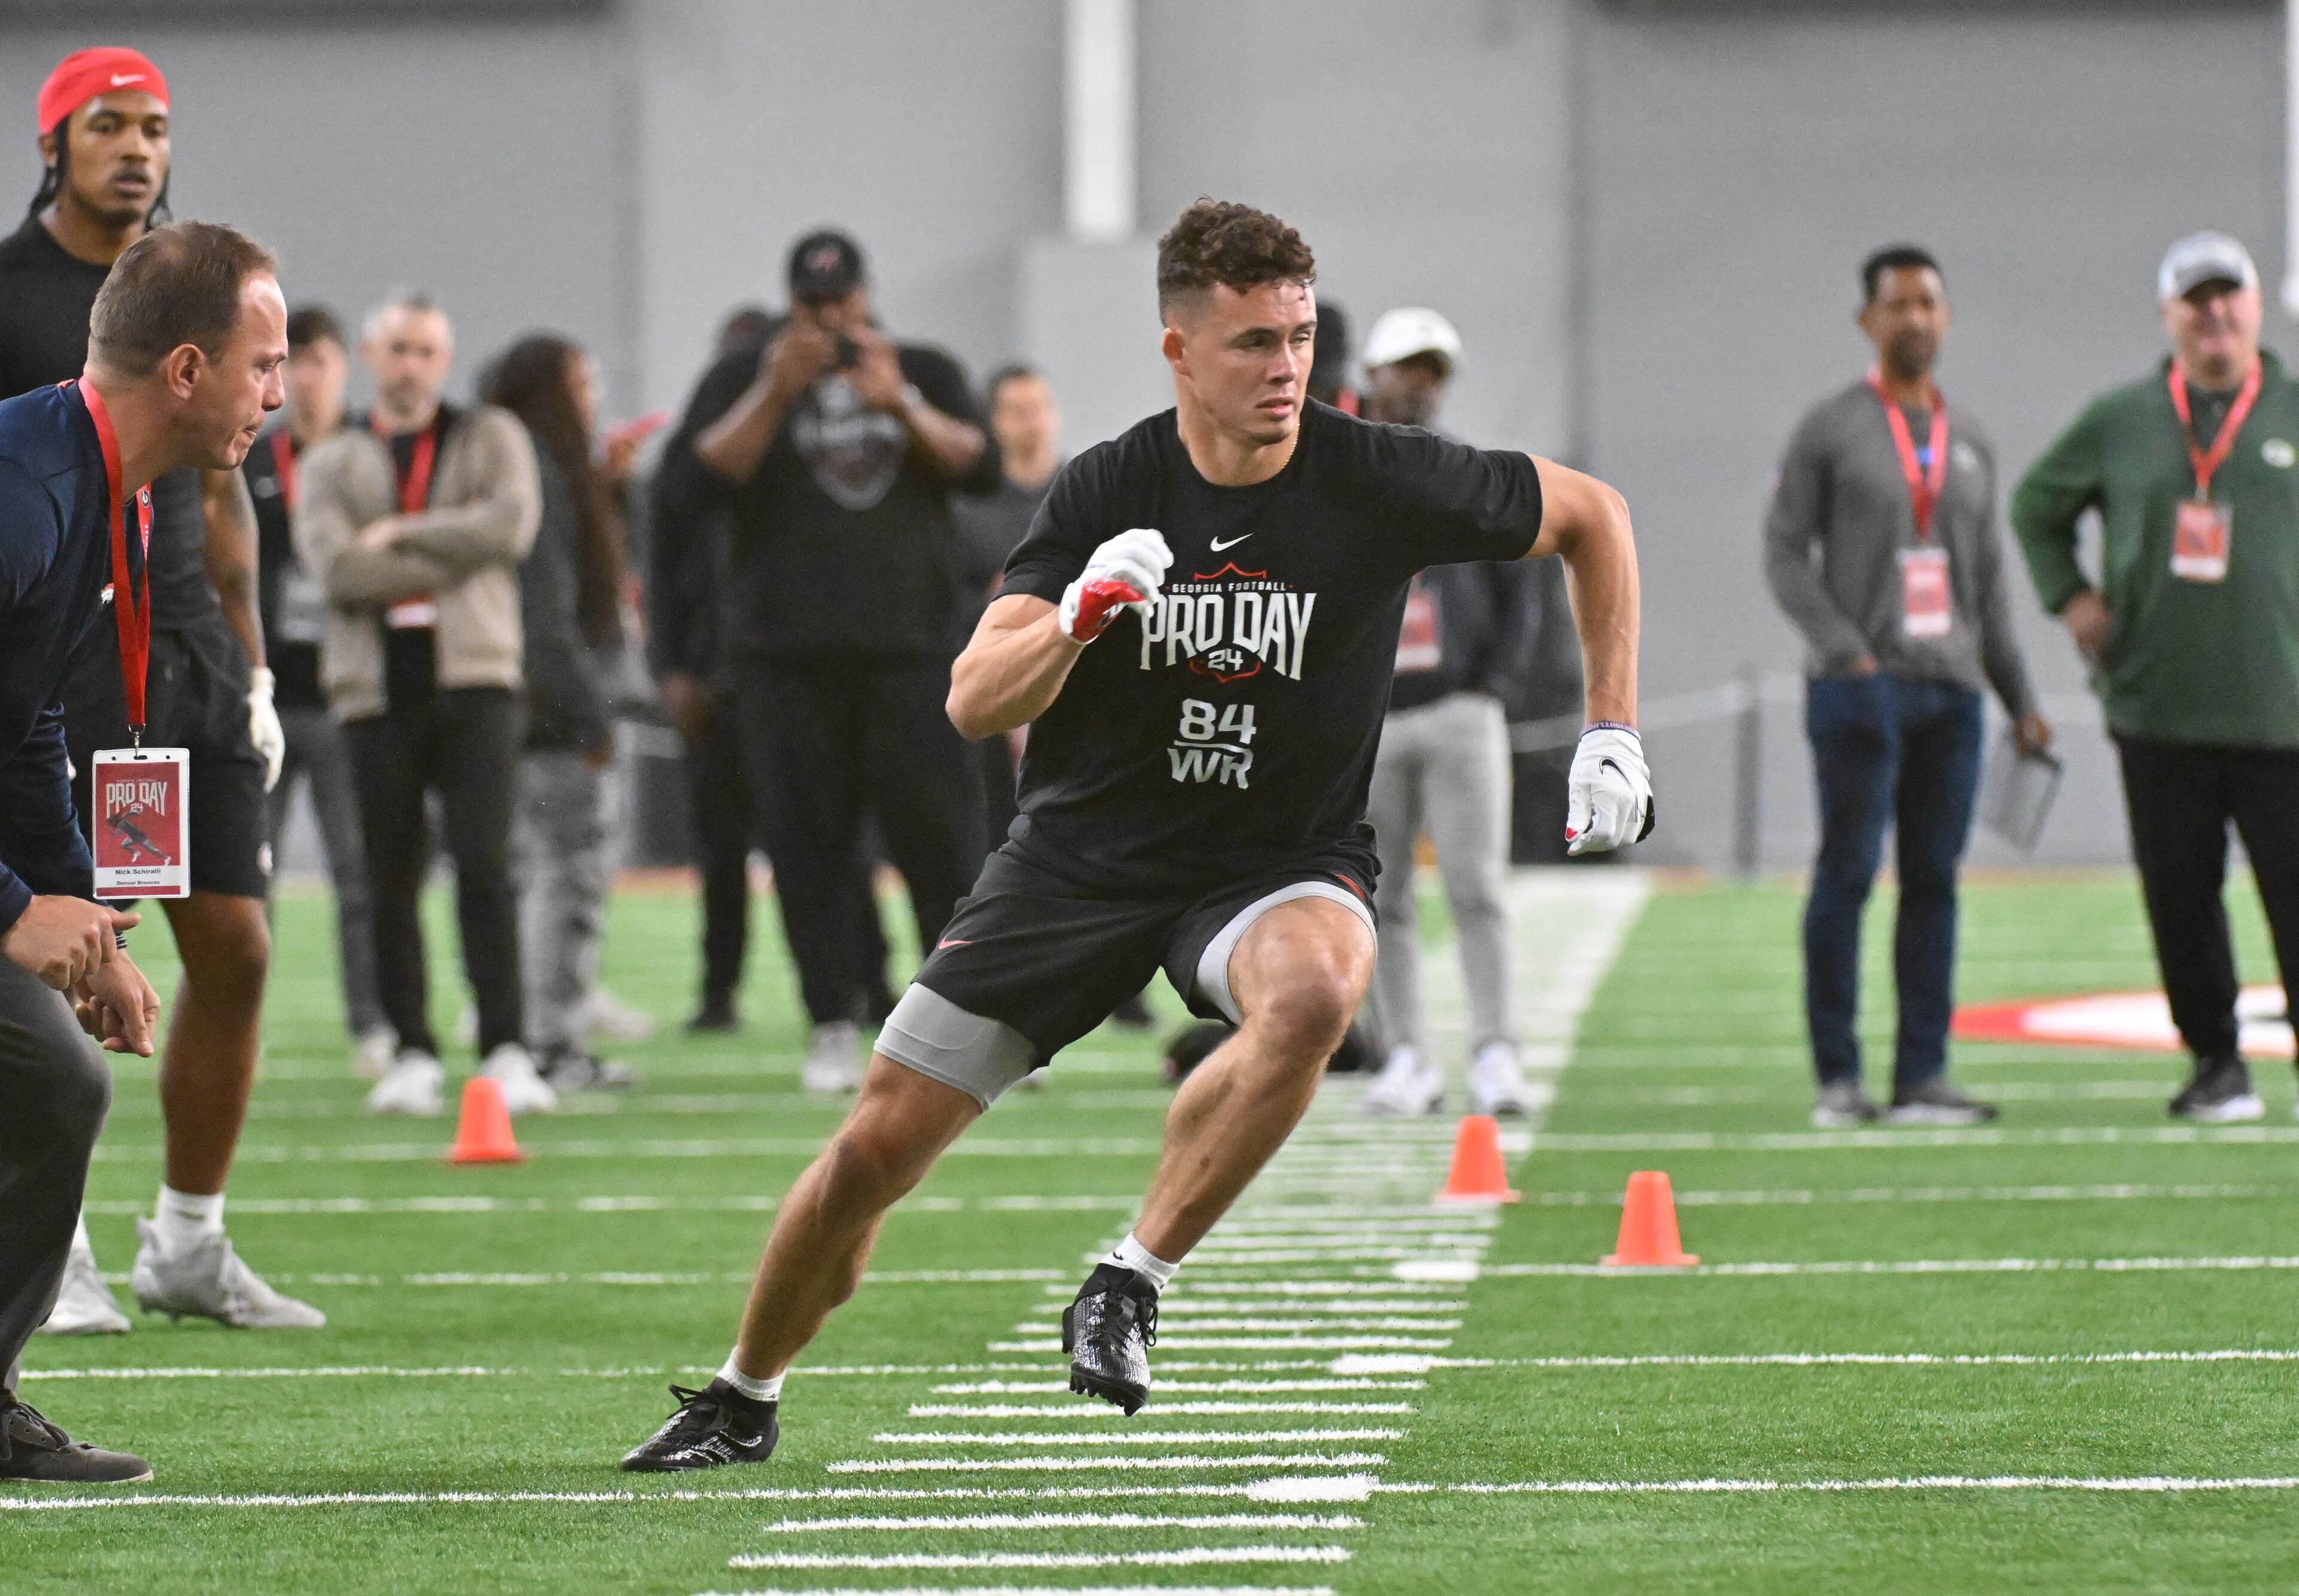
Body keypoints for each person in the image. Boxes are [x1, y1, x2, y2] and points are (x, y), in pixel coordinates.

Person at [619, 198, 1650, 1471]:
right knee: (871, 1154)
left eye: (1300, 336)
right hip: (1079, 863)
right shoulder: (1111, 483)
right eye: (1252, 344)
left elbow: (1593, 516)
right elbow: (969, 697)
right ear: (1178, 352)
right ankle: (744, 1392)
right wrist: (1078, 619)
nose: (1286, 370)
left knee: (1325, 987)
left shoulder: (1373, 473)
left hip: (1273, 860)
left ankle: (1131, 1275)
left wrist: (1613, 726)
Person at [2, 48, 319, 1337]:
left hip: (176, 670)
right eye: (263, 364)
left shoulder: (111, 497)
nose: (283, 393)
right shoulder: (28, 492)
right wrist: (20, 907)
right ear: (183, 369)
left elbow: (25, 727)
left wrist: (74, 901)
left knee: (63, 1077)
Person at [660, 229, 1000, 1090]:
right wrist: (776, 391)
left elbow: (981, 466)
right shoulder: (744, 375)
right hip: (784, 660)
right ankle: (832, 1019)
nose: (830, 318)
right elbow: (690, 487)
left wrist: (899, 402)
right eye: (814, 306)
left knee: (942, 844)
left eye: (843, 301)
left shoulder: (921, 363)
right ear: (790, 304)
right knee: (808, 849)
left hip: (913, 651)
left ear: (866, 294)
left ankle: (965, 1018)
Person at [2012, 231, 2299, 1124]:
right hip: (2158, 707)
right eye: (2195, 297)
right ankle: (2216, 1060)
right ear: (2171, 313)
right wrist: (2073, 598)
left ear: (2255, 304)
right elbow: (2034, 508)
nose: (2214, 312)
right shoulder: (2124, 417)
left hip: (2283, 710)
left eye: (2228, 294)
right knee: (2180, 893)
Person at [1764, 245, 2049, 1130]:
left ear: (1947, 317)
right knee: (1848, 873)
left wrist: (2019, 696)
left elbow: (1989, 582)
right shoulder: (1831, 428)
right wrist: (1845, 651)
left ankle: (1923, 1075)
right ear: (1868, 321)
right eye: (1897, 305)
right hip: (1862, 689)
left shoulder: (1971, 441)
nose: (1915, 319)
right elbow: (1783, 552)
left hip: (1954, 694)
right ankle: (1839, 1079)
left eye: (1929, 303)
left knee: (1936, 881)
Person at [295, 292, 549, 1117]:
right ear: (372, 354)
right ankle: (411, 1046)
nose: (411, 366)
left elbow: (509, 530)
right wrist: (455, 549)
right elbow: (338, 572)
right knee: (388, 873)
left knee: (487, 865)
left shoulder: (490, 434)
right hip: (376, 688)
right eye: (398, 348)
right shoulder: (336, 457)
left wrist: (400, 535)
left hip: (474, 678)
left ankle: (508, 1045)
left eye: (426, 352)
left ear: (444, 359)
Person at [650, 306, 894, 1034]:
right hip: (722, 671)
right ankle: (720, 986)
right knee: (722, 845)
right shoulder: (705, 466)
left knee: (831, 838)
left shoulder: (799, 464)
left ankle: (871, 982)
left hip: (787, 673)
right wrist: (674, 666)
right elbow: (667, 566)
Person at [1351, 307, 1542, 1118]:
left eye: (1433, 371)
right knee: (1379, 897)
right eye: (1408, 368)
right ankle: (1405, 1056)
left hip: (1459, 707)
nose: (1421, 385)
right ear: (1373, 375)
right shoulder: (1343, 479)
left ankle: (1496, 1052)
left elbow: (1523, 580)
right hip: (1371, 718)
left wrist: (1493, 682)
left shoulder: (1469, 472)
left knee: (1477, 887)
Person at [482, 332, 633, 1093]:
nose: (593, 392)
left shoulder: (536, 464)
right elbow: (545, 610)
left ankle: (538, 1031)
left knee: (541, 868)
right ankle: (551, 1040)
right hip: (551, 712)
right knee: (566, 871)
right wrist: (587, 710)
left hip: (531, 703)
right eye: (582, 379)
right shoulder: (537, 467)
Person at [244, 304, 392, 1080]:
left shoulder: (372, 456)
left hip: (344, 690)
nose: (305, 376)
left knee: (359, 870)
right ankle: (241, 1020)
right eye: (291, 361)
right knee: (248, 874)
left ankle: (372, 1022)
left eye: (320, 360)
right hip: (265, 695)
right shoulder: (256, 458)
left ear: (344, 367)